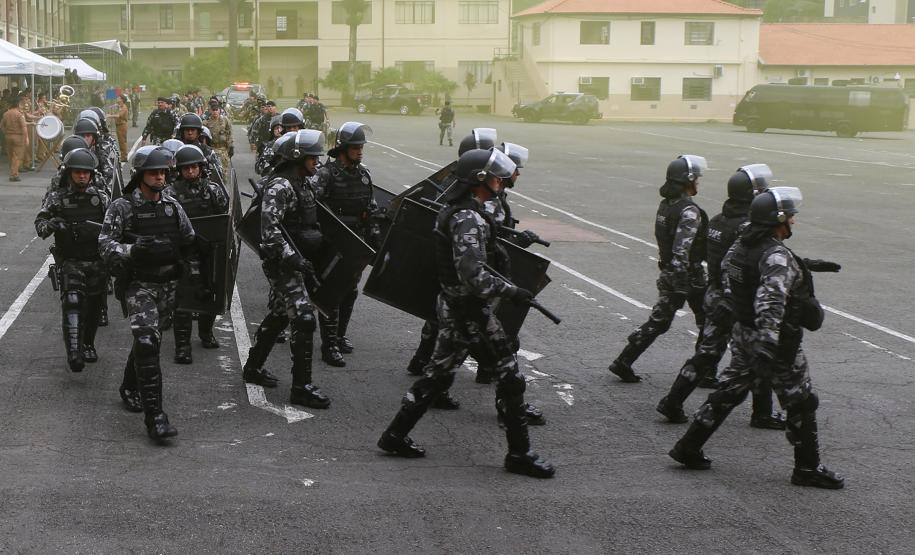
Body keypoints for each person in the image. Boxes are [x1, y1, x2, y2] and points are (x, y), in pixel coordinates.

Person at [377, 148, 555, 479]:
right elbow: (473, 274)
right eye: (496, 176)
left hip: (456, 306)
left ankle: (394, 435)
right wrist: (511, 291)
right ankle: (520, 454)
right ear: (479, 180)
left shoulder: (462, 211)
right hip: (470, 311)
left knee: (438, 376)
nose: (502, 181)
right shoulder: (468, 217)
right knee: (510, 378)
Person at [669, 187, 844, 490]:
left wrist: (801, 264)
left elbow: (732, 275)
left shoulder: (741, 244)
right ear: (778, 220)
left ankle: (688, 447)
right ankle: (807, 468)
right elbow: (771, 301)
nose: (793, 221)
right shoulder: (776, 257)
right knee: (802, 402)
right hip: (775, 343)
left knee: (727, 391)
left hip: (743, 333)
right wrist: (769, 344)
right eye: (790, 216)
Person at [655, 164, 789, 428]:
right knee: (758, 351)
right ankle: (761, 413)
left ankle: (673, 400)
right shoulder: (747, 227)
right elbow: (754, 260)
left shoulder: (719, 219)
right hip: (736, 298)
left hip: (715, 293)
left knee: (706, 353)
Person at [99, 147, 195, 441]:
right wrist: (132, 249)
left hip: (168, 286)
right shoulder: (122, 207)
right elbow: (104, 245)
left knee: (148, 341)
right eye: (154, 172)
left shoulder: (172, 207)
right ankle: (156, 418)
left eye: (164, 172)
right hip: (139, 285)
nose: (160, 176)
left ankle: (130, 386)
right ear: (140, 175)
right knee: (145, 339)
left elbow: (189, 238)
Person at [241, 130, 332, 409]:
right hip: (282, 264)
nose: (317, 161)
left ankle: (253, 368)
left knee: (281, 314)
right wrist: (294, 260)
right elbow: (270, 233)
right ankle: (301, 387)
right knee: (304, 318)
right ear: (297, 156)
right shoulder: (280, 186)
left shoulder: (303, 184)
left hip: (297, 261)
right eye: (312, 156)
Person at [607, 155, 709, 383]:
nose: (698, 183)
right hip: (687, 275)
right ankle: (704, 371)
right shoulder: (689, 210)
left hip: (669, 272)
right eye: (697, 179)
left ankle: (624, 360)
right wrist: (683, 282)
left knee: (659, 321)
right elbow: (682, 250)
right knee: (708, 321)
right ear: (688, 180)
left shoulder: (666, 205)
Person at [34, 148, 110, 372]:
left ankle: (87, 344)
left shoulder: (101, 198)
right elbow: (40, 224)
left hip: (97, 261)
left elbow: (116, 226)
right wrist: (52, 224)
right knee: (73, 301)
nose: (82, 176)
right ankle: (74, 351)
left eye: (86, 173)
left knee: (95, 307)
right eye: (77, 172)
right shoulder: (57, 198)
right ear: (69, 174)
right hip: (70, 261)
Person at [313, 121, 379, 367]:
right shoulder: (326, 174)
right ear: (342, 148)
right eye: (355, 147)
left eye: (361, 147)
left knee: (350, 291)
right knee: (331, 292)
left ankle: (339, 337)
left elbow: (370, 206)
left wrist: (373, 231)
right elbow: (313, 207)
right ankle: (328, 345)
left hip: (356, 242)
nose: (360, 151)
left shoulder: (364, 174)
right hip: (332, 243)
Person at [165, 145, 229, 364]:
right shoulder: (170, 193)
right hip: (183, 252)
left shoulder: (213, 190)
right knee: (182, 299)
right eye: (186, 168)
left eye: (194, 167)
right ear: (179, 170)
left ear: (201, 168)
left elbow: (223, 219)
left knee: (210, 291)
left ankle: (206, 333)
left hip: (209, 251)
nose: (191, 172)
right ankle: (182, 345)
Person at [176, 112, 224, 181]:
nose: (190, 133)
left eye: (193, 130)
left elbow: (218, 174)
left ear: (198, 132)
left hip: (202, 188)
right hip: (179, 188)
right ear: (182, 132)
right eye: (187, 130)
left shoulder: (207, 151)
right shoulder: (177, 150)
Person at [1, 96, 29, 181]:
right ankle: (14, 175)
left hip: (8, 136)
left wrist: (6, 132)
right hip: (18, 137)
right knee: (17, 156)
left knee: (10, 155)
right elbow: (24, 127)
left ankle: (13, 171)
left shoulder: (6, 113)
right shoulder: (19, 114)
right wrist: (26, 138)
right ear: (18, 104)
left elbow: (1, 126)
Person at [204, 100, 234, 172]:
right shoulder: (206, 122)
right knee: (213, 172)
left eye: (216, 110)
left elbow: (230, 133)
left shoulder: (225, 120)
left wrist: (231, 146)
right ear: (210, 111)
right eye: (213, 110)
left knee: (223, 172)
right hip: (212, 150)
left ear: (219, 110)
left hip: (223, 150)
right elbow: (203, 137)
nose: (215, 112)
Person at [110, 94, 130, 162]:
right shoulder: (120, 106)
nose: (117, 99)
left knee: (122, 142)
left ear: (122, 99)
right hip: (119, 125)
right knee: (121, 141)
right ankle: (123, 156)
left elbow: (119, 115)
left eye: (119, 98)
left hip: (122, 125)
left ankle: (124, 157)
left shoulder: (124, 107)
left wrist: (109, 116)